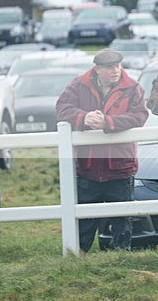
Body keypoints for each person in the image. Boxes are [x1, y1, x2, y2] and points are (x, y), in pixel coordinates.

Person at [55, 49, 148, 252]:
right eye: (109, 67)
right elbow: (62, 108)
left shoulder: (133, 88)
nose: (115, 70)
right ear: (98, 69)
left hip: (120, 166)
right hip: (88, 166)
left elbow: (140, 116)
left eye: (118, 66)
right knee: (84, 221)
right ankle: (77, 260)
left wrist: (109, 122)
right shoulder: (78, 85)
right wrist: (83, 118)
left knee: (122, 220)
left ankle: (120, 260)